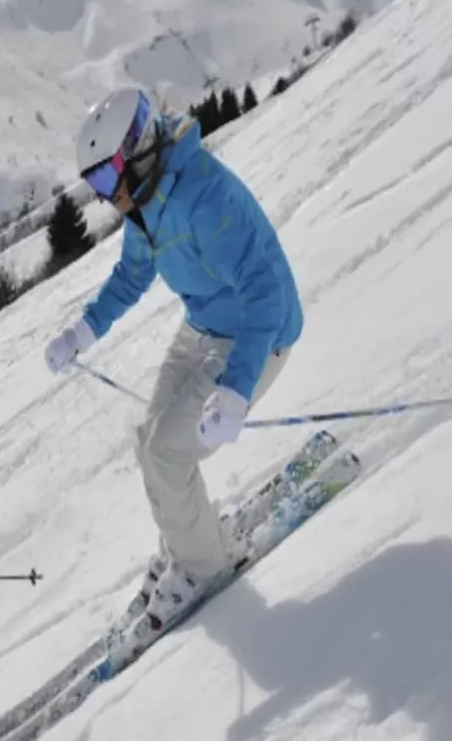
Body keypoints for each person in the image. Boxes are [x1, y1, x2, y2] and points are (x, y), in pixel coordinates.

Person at [43, 85, 303, 629]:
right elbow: (133, 273)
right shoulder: (148, 204)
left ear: (137, 155)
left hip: (258, 335)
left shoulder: (206, 200)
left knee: (167, 452)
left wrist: (236, 389)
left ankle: (204, 565)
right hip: (206, 324)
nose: (102, 197)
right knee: (149, 441)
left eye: (105, 180)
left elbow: (265, 295)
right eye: (94, 184)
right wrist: (82, 333)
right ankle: (185, 541)